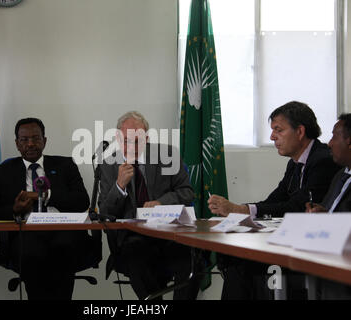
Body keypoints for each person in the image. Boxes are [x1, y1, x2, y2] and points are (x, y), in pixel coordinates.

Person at [208, 101, 341, 299]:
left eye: (278, 130)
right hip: (293, 243)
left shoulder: (322, 160)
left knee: (244, 265)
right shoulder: (294, 164)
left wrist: (241, 210)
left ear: (300, 131)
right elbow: (274, 199)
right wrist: (240, 210)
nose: (272, 137)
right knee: (236, 260)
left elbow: (295, 207)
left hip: (315, 251)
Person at [0, 118, 97, 300]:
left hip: (63, 230)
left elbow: (81, 201)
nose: (30, 144)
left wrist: (46, 196)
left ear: (45, 140)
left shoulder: (65, 165)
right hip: (26, 233)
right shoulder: (4, 172)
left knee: (65, 247)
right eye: (24, 140)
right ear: (17, 144)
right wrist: (14, 209)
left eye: (36, 138)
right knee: (32, 253)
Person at [98, 111, 200, 300]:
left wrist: (161, 203)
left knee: (194, 260)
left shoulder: (167, 155)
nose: (134, 147)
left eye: (139, 140)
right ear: (118, 138)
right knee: (136, 256)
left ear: (147, 137)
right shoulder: (108, 165)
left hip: (170, 233)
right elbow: (105, 213)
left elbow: (187, 192)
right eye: (128, 140)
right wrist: (119, 186)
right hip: (133, 237)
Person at [306, 113, 351, 299]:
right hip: (327, 253)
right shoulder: (341, 175)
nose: (329, 143)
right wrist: (321, 212)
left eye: (334, 136)